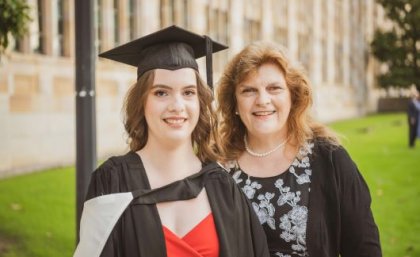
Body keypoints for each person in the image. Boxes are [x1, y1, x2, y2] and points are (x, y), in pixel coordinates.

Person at [74, 26, 269, 257]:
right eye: (161, 92)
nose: (177, 106)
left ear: (200, 102)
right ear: (142, 102)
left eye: (188, 92)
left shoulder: (222, 186)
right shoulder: (113, 181)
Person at [216, 41, 382, 257]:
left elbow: (364, 250)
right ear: (234, 103)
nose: (263, 100)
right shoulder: (216, 166)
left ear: (292, 96)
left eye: (274, 88)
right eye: (248, 90)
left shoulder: (329, 158)